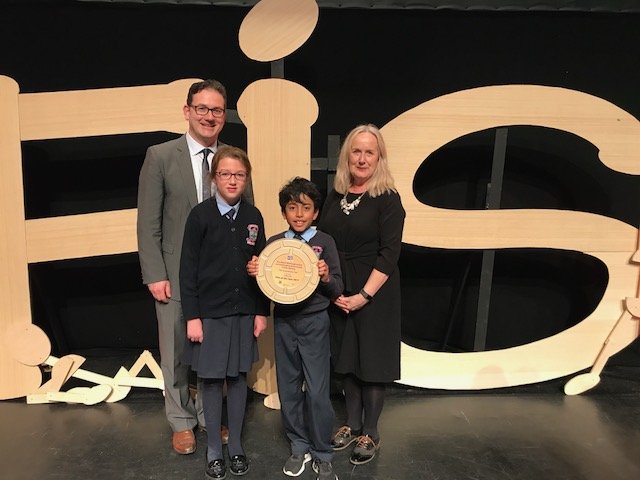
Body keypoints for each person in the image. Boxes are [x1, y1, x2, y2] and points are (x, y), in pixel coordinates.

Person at [137, 79, 243, 455]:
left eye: (217, 110)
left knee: (214, 354)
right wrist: (154, 274)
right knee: (177, 351)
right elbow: (148, 222)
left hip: (219, 277)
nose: (209, 116)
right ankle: (181, 422)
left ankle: (209, 417)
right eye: (202, 108)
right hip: (174, 274)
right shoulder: (161, 156)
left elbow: (248, 218)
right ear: (187, 111)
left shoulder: (233, 160)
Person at [317, 124, 405, 465]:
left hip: (375, 293)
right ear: (347, 156)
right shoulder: (335, 195)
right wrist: (333, 287)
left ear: (379, 156)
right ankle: (351, 424)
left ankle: (371, 431)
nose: (362, 158)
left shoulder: (388, 198)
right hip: (339, 290)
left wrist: (364, 296)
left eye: (370, 151)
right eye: (357, 151)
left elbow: (390, 253)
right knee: (347, 360)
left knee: (372, 362)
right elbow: (323, 241)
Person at [180, 145, 269, 479]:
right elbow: (187, 271)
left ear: (246, 178)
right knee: (212, 380)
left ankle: (236, 447)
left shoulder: (253, 217)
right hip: (210, 315)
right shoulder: (200, 216)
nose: (232, 180)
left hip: (244, 312)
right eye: (226, 174)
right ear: (213, 177)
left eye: (239, 175)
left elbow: (263, 269)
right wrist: (193, 317)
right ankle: (214, 448)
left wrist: (261, 311)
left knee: (238, 377)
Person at [247, 178, 343, 480]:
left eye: (306, 208)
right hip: (285, 323)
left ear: (315, 212)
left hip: (315, 322)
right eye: (292, 208)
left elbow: (338, 288)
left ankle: (321, 450)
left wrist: (326, 276)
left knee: (316, 391)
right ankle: (299, 446)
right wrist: (256, 273)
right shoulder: (275, 244)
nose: (299, 214)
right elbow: (267, 289)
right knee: (288, 389)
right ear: (284, 212)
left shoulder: (325, 242)